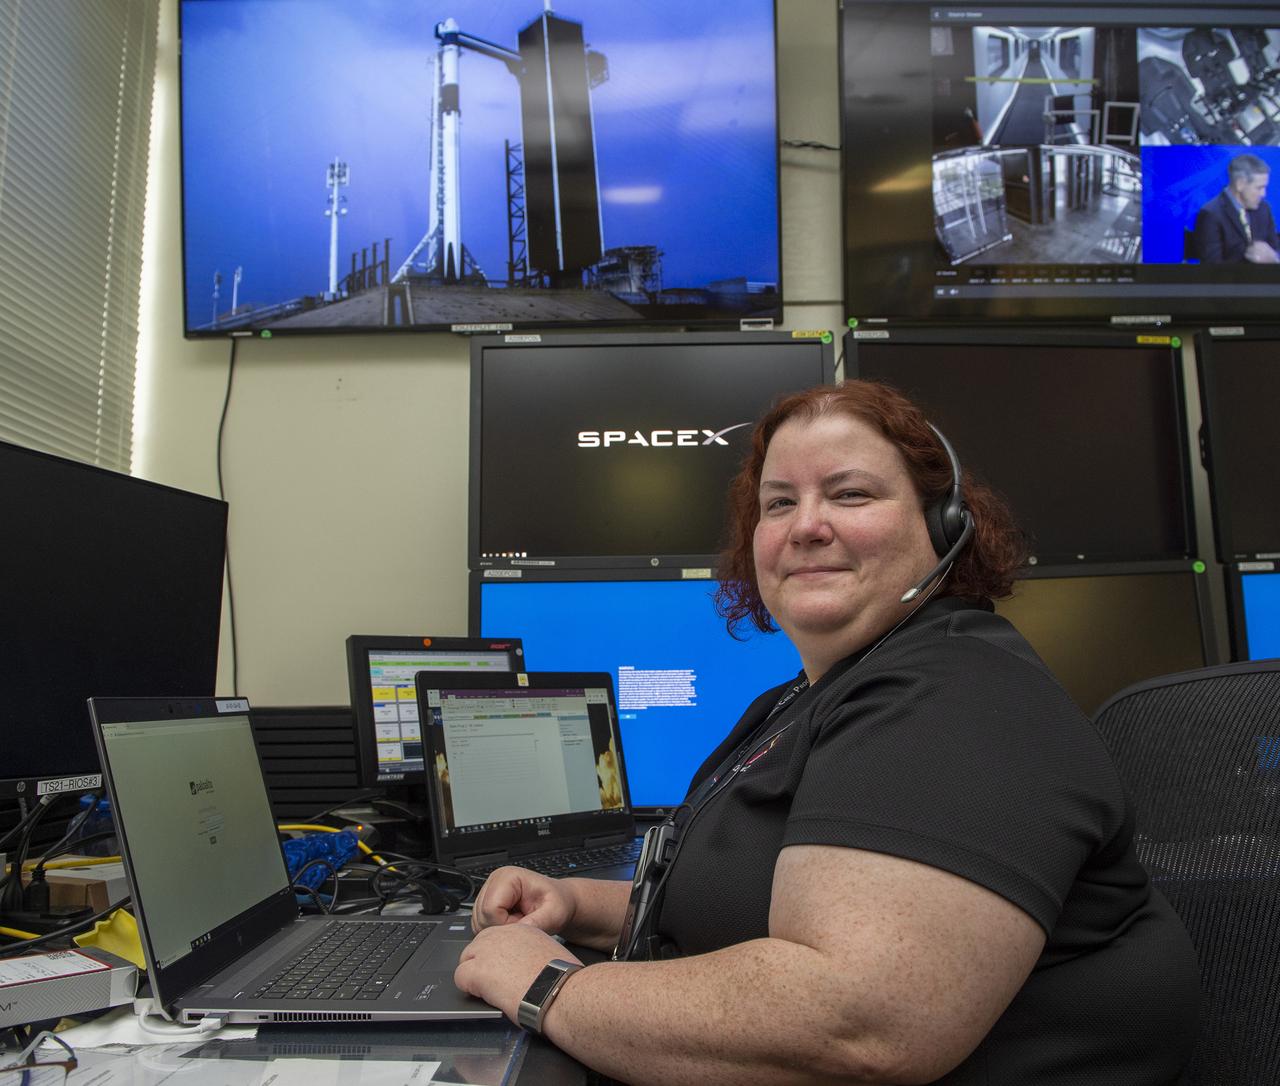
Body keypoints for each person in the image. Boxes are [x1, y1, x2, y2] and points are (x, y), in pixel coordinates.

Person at [455, 381, 1201, 1085]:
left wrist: (545, 986)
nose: (807, 526)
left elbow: (858, 1020)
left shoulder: (957, 699)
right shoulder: (806, 699)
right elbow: (752, 900)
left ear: (946, 527)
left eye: (850, 494)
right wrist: (576, 905)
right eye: (779, 504)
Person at [1191, 152, 1280, 263]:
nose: (1263, 194)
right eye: (1259, 188)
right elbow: (1212, 268)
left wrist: (1273, 258)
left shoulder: (1263, 208)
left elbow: (1274, 248)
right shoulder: (1211, 214)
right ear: (1240, 184)